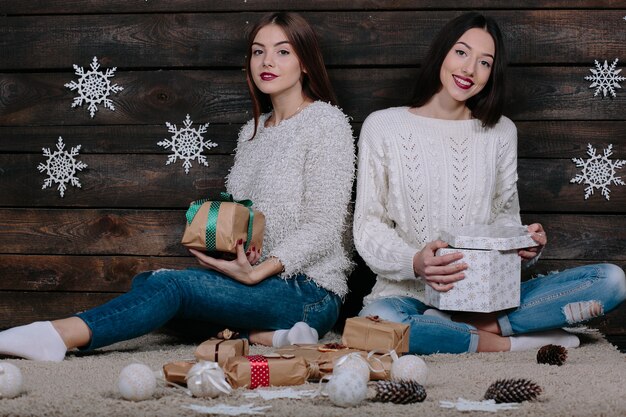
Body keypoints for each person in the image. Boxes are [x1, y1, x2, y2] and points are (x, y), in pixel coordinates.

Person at [0, 12, 355, 362]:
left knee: (169, 289)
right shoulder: (253, 131)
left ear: (305, 63)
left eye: (282, 51)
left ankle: (57, 335)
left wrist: (256, 272)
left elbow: (322, 226)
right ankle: (269, 336)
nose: (267, 61)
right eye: (258, 51)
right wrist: (236, 255)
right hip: (260, 282)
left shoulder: (325, 122)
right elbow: (251, 219)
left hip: (310, 293)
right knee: (151, 282)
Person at [353, 12, 626, 354]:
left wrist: (522, 245)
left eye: (484, 62)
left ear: (491, 73)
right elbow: (368, 224)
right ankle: (508, 343)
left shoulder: (500, 131)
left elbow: (504, 219)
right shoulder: (383, 127)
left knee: (612, 281)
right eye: (462, 52)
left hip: (487, 299)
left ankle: (473, 329)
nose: (469, 69)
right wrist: (415, 262)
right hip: (405, 299)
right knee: (376, 320)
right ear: (442, 53)